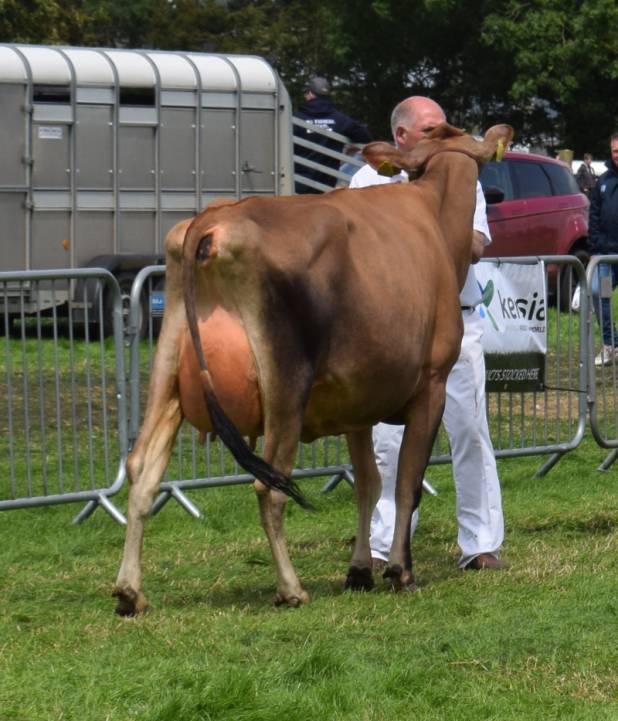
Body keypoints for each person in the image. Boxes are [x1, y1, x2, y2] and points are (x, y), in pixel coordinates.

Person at [349, 96, 504, 572]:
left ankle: (479, 542)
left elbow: (477, 243)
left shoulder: (459, 168)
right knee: (387, 440)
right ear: (402, 138)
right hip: (392, 327)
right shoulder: (367, 179)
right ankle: (382, 544)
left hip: (457, 319)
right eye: (435, 129)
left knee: (470, 429)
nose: (449, 136)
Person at [293, 76, 371, 194]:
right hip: (326, 185)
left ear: (310, 93)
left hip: (298, 183)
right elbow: (365, 136)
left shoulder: (296, 118)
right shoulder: (339, 119)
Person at [589, 133, 618, 366]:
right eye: (615, 151)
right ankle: (611, 345)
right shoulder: (603, 182)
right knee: (601, 294)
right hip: (607, 256)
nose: (617, 155)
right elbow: (594, 215)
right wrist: (595, 247)